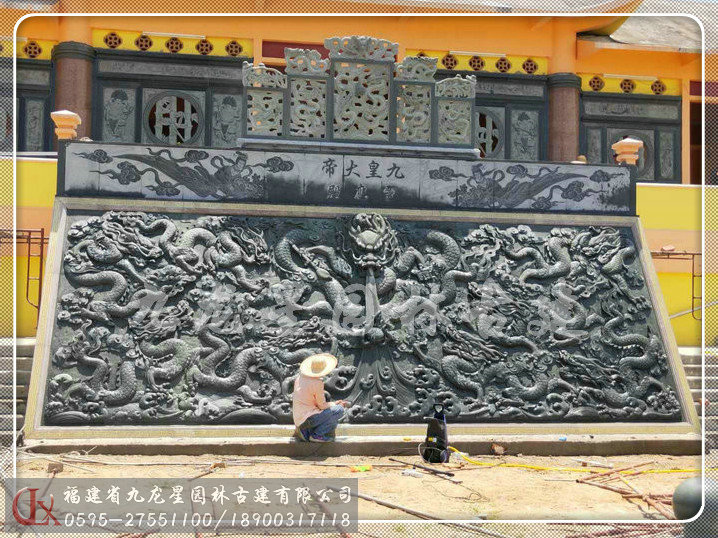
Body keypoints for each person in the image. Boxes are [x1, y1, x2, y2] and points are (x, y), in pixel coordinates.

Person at [292, 353, 349, 442]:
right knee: (339, 410)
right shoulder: (317, 383)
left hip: (298, 419)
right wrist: (335, 404)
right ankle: (317, 435)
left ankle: (305, 431)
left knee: (332, 417)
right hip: (308, 419)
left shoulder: (300, 377)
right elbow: (322, 406)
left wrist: (333, 404)